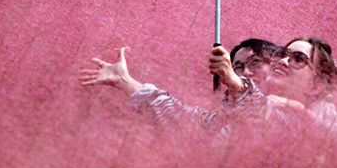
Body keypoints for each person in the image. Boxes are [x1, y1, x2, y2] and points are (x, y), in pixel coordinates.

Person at [79, 40, 280, 137]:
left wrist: (236, 83)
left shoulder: (290, 115)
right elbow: (179, 117)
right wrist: (125, 81)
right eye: (237, 67)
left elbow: (261, 111)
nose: (245, 72)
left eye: (255, 62)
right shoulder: (219, 123)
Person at [260, 37, 337, 137]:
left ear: (316, 86)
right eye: (281, 54)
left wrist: (298, 109)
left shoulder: (325, 115)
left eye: (298, 59)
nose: (282, 61)